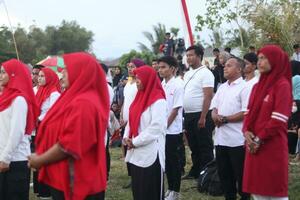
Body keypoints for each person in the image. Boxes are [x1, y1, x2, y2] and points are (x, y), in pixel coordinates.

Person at [28, 52, 110, 200]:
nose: (61, 73)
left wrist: (40, 160)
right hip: (70, 178)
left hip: (79, 182)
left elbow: (70, 145)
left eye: (66, 69)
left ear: (80, 72)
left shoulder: (84, 103)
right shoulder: (76, 97)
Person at [243, 45, 292, 200]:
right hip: (254, 147)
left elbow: (279, 119)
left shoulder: (282, 85)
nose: (259, 62)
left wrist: (258, 139)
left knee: (275, 192)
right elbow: (248, 113)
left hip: (272, 146)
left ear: (275, 60)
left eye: (264, 58)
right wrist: (246, 132)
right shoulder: (257, 86)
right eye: (259, 58)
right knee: (258, 193)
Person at [123, 66, 167, 200]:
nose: (136, 81)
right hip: (136, 153)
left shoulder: (158, 100)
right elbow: (131, 120)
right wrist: (126, 137)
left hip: (151, 153)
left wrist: (135, 142)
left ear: (147, 79)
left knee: (150, 191)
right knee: (139, 191)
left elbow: (155, 128)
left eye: (139, 78)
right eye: (135, 78)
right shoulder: (139, 97)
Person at [211, 57, 250, 200]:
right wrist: (215, 116)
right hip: (221, 140)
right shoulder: (222, 87)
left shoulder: (245, 87)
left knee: (241, 176)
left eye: (229, 65)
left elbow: (246, 112)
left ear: (239, 69)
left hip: (237, 140)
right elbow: (214, 108)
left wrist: (225, 119)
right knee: (225, 176)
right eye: (224, 66)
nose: (225, 68)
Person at [0, 59, 39, 200]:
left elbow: (16, 132)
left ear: (14, 74)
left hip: (15, 161)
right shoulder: (4, 98)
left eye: (4, 72)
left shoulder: (19, 100)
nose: (0, 75)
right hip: (4, 158)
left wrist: (5, 158)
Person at [182, 45, 215, 179]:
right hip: (189, 114)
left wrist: (203, 117)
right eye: (187, 55)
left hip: (201, 114)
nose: (188, 58)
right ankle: (196, 171)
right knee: (193, 145)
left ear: (199, 56)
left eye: (191, 55)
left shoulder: (206, 73)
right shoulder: (188, 73)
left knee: (204, 145)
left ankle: (207, 173)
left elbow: (208, 96)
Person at [158, 56, 184, 200]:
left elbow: (175, 109)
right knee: (166, 161)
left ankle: (176, 191)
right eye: (159, 67)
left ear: (172, 69)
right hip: (162, 130)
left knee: (174, 161)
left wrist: (165, 126)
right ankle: (170, 188)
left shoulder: (178, 84)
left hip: (172, 130)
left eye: (163, 67)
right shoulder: (162, 84)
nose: (160, 70)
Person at [34, 67, 61, 199]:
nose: (39, 78)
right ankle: (41, 188)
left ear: (50, 78)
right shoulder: (40, 91)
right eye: (39, 75)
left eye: (43, 76)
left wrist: (38, 118)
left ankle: (47, 190)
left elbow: (52, 113)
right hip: (39, 128)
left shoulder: (54, 93)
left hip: (48, 130)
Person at [120, 58, 145, 189]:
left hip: (135, 119)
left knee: (133, 146)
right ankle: (131, 175)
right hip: (125, 120)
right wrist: (121, 114)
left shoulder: (139, 83)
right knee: (125, 146)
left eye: (133, 66)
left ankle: (136, 176)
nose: (130, 69)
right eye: (128, 66)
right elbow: (126, 100)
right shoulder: (129, 83)